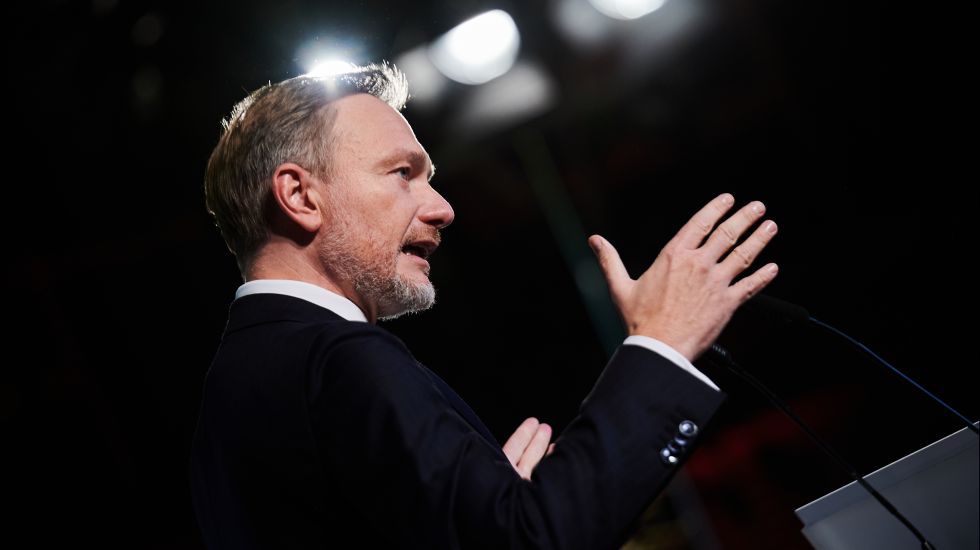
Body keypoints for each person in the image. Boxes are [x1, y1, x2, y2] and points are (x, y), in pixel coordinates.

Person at [190, 62, 779, 549]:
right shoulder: (338, 357)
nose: (442, 208)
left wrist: (493, 510)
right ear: (300, 196)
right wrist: (662, 344)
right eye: (403, 173)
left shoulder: (232, 386)